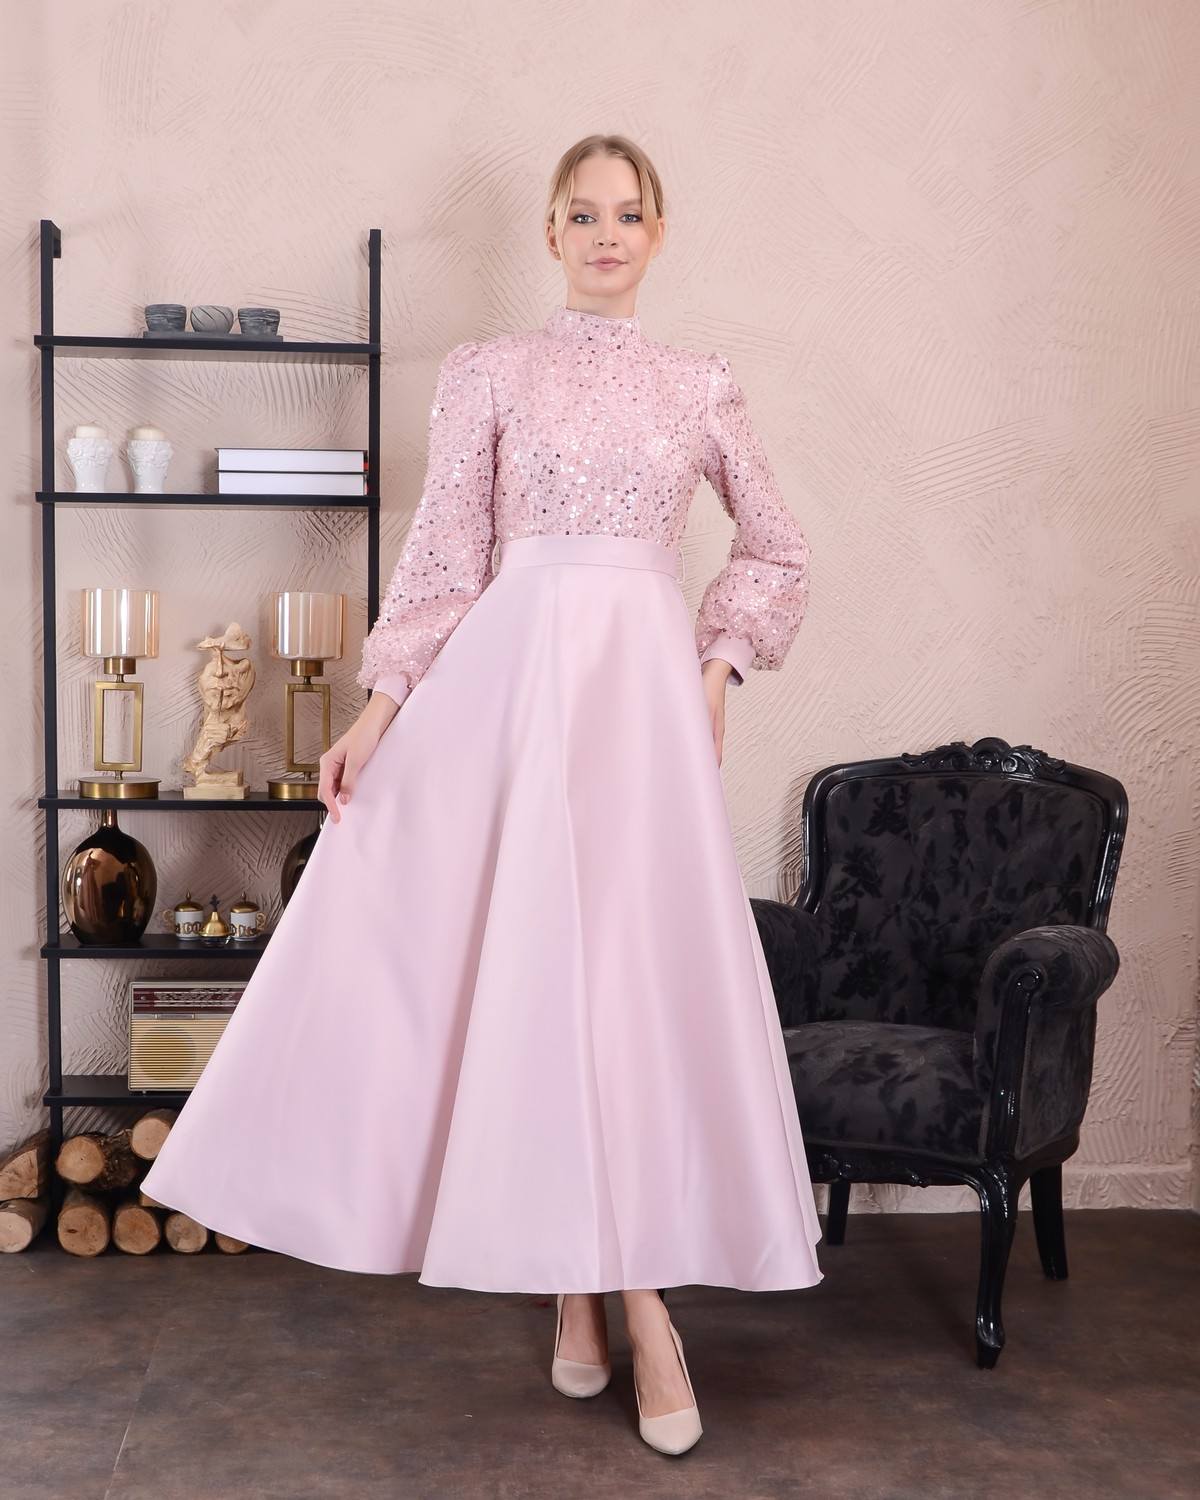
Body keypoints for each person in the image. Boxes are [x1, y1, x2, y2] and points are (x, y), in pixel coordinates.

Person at [141, 132, 823, 1458]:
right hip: (507, 697)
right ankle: (627, 1307)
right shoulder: (489, 372)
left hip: (640, 711)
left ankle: (604, 1293)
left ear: (658, 233)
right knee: (530, 984)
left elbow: (776, 546)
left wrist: (718, 670)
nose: (607, 235)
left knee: (622, 993)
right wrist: (378, 712)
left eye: (629, 214)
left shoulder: (699, 384)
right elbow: (446, 553)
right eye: (584, 214)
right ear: (550, 232)